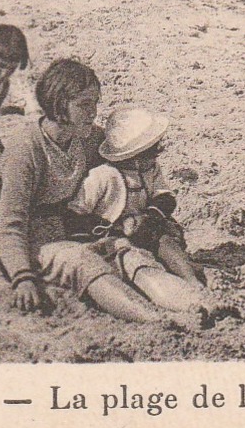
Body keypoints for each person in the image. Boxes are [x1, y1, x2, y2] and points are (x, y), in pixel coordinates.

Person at [0, 59, 182, 325]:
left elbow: (134, 161)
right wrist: (22, 276)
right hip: (36, 239)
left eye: (95, 103)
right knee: (82, 262)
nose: (93, 113)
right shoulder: (25, 149)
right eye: (85, 105)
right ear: (59, 105)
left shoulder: (87, 138)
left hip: (81, 229)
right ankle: (158, 322)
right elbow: (11, 222)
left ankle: (200, 303)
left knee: (130, 254)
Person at [67, 108, 218, 317]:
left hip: (146, 226)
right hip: (113, 235)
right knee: (137, 263)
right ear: (136, 156)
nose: (156, 155)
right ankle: (187, 303)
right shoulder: (104, 176)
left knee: (166, 242)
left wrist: (150, 216)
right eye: (153, 151)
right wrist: (113, 227)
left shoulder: (151, 170)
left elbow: (165, 196)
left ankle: (193, 282)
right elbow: (75, 214)